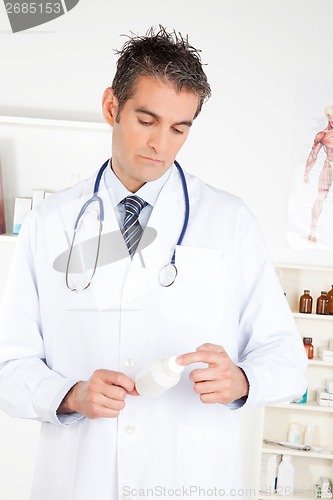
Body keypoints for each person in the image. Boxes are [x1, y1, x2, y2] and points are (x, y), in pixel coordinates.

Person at [0, 26, 307, 500]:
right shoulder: (48, 223)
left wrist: (242, 380)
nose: (160, 144)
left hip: (187, 479)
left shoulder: (230, 221)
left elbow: (287, 359)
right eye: (147, 120)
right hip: (83, 479)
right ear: (111, 107)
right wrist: (70, 395)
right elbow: (10, 365)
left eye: (179, 129)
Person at [304, 104, 333, 243]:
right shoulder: (323, 135)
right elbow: (313, 155)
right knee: (321, 196)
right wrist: (306, 172)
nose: (331, 117)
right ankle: (312, 230)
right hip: (329, 166)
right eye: (329, 115)